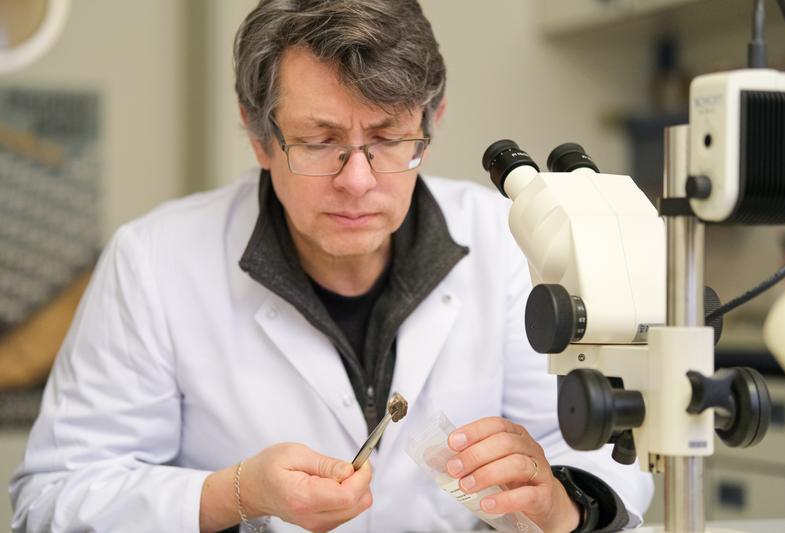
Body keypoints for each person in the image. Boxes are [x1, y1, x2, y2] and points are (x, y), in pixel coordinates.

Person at [10, 1, 653, 531]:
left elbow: (597, 453)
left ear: (432, 124)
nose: (358, 181)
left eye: (388, 139)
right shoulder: (153, 261)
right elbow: (52, 499)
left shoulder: (507, 241)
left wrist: (560, 503)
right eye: (320, 142)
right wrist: (234, 493)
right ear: (259, 136)